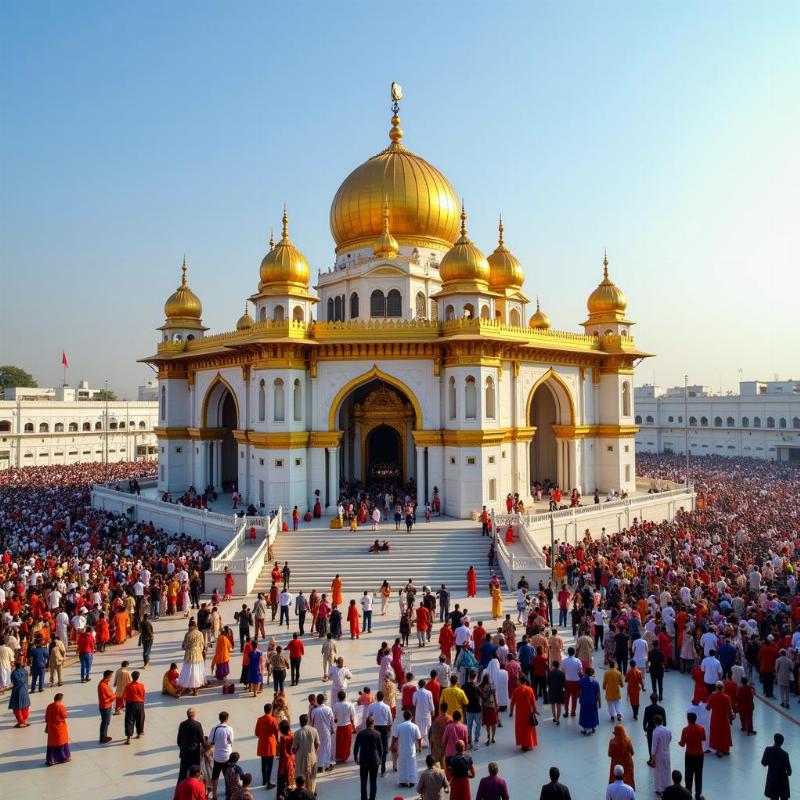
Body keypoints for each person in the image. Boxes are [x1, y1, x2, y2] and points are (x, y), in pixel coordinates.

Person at [353, 716, 384, 800]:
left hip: (363, 760)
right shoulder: (377, 733)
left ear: (366, 724)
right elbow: (380, 749)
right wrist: (380, 759)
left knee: (363, 781)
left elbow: (356, 747)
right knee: (373, 781)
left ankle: (363, 798)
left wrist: (355, 757)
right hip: (374, 760)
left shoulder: (360, 733)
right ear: (373, 723)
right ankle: (372, 797)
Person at [678, 711, 705, 800]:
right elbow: (704, 738)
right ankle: (698, 794)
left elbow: (682, 744)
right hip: (700, 755)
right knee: (698, 775)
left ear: (688, 719)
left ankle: (688, 793)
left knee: (688, 775)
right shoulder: (701, 728)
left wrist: (679, 743)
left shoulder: (685, 730)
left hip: (689, 755)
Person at [208, 711, 235, 800]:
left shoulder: (214, 728)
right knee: (227, 776)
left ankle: (215, 794)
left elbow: (210, 741)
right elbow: (231, 740)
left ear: (219, 718)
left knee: (215, 776)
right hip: (227, 756)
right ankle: (228, 793)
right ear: (227, 718)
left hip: (217, 757)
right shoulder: (229, 729)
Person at [177, 620, 207, 697]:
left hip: (188, 656)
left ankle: (181, 690)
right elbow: (202, 645)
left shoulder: (187, 634)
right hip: (198, 656)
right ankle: (195, 691)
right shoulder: (199, 634)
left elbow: (184, 646)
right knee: (196, 673)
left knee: (187, 673)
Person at [292, 714, 320, 795]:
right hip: (312, 756)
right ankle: (312, 791)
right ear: (307, 722)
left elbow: (295, 748)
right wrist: (314, 752)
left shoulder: (297, 733)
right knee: (312, 775)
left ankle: (303, 792)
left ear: (300, 722)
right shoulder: (314, 730)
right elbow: (317, 743)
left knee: (301, 775)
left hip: (301, 758)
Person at [508, 675, 538, 751]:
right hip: (528, 713)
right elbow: (533, 702)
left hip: (519, 714)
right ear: (525, 681)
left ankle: (523, 744)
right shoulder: (530, 690)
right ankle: (529, 744)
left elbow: (512, 703)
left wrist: (511, 712)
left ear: (519, 681)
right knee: (528, 729)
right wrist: (535, 711)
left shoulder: (515, 690)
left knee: (521, 729)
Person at [393, 709, 422, 787]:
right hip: (411, 750)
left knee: (402, 765)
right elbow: (419, 738)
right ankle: (412, 781)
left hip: (401, 749)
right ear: (411, 717)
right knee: (411, 765)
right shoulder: (415, 726)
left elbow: (394, 737)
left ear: (404, 717)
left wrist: (392, 746)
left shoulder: (399, 726)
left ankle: (402, 781)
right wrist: (420, 747)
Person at [177, 707, 206, 783]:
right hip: (194, 752)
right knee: (195, 770)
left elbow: (179, 740)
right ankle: (195, 784)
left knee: (183, 771)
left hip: (185, 751)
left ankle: (181, 785)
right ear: (194, 715)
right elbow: (201, 738)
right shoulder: (197, 724)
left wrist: (182, 748)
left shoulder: (182, 724)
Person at [254, 702, 279, 789]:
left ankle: (264, 780)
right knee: (270, 763)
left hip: (262, 742)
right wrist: (278, 741)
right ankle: (268, 780)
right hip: (271, 743)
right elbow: (276, 732)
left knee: (263, 763)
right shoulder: (273, 719)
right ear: (271, 710)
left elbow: (256, 733)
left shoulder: (259, 719)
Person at [761, 732, 792, 800]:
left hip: (772, 780)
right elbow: (789, 772)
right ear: (782, 743)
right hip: (782, 782)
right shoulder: (785, 754)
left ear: (774, 740)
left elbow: (763, 763)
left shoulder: (768, 750)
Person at [706, 681, 733, 756]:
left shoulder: (712, 696)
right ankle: (725, 749)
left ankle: (718, 751)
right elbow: (729, 710)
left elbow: (708, 708)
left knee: (716, 733)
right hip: (724, 718)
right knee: (725, 733)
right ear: (723, 688)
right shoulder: (726, 697)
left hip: (715, 718)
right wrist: (731, 716)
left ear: (716, 688)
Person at [44, 692, 71, 765]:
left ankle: (51, 759)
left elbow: (46, 718)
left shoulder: (49, 706)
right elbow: (65, 716)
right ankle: (63, 757)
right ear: (60, 699)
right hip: (60, 728)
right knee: (61, 743)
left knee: (52, 743)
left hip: (52, 728)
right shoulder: (61, 707)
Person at [310, 693, 335, 772]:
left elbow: (312, 722)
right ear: (324, 700)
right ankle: (327, 765)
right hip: (326, 730)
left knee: (319, 748)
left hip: (317, 731)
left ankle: (319, 766)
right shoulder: (328, 709)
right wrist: (332, 729)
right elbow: (332, 720)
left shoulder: (314, 710)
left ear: (317, 701)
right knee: (327, 747)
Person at [607, 723, 635, 789]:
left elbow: (609, 754)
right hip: (628, 763)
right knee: (628, 778)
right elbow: (632, 752)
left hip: (616, 763)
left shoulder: (612, 742)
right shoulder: (628, 740)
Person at [643, 693, 667, 765]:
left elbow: (645, 720)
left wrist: (645, 728)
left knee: (650, 744)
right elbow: (665, 722)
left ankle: (651, 759)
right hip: (659, 729)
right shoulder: (662, 709)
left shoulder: (647, 709)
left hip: (650, 729)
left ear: (651, 699)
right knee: (659, 744)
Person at [651, 715, 673, 795]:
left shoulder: (656, 732)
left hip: (659, 755)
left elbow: (654, 745)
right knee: (667, 770)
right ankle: (667, 786)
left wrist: (653, 755)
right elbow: (670, 738)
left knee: (659, 772)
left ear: (655, 722)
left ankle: (659, 789)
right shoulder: (667, 730)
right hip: (666, 753)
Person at [124, 670, 146, 744]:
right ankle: (139, 733)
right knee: (140, 718)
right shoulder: (141, 685)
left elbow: (124, 696)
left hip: (130, 704)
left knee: (129, 720)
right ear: (138, 677)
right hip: (140, 703)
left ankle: (128, 738)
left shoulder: (128, 686)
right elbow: (143, 695)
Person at [276, 719, 296, 800]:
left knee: (283, 778)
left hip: (284, 761)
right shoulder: (292, 735)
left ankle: (283, 796)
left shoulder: (283, 738)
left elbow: (283, 752)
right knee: (291, 777)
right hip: (291, 757)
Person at [578, 666, 601, 735]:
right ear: (592, 673)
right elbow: (598, 693)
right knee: (592, 714)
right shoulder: (595, 682)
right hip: (592, 701)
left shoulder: (581, 681)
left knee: (584, 715)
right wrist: (599, 703)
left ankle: (586, 729)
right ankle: (591, 728)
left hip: (584, 701)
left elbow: (579, 689)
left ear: (585, 673)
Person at [98, 669, 115, 743]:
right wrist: (113, 697)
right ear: (108, 676)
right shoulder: (102, 685)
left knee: (105, 722)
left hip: (106, 705)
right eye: (111, 676)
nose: (111, 678)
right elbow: (104, 699)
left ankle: (104, 736)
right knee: (105, 722)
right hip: (105, 706)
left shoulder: (104, 683)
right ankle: (103, 737)